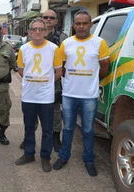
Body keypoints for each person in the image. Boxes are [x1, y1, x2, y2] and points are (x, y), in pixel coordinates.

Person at [53, 10, 110, 176]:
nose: (81, 26)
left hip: (89, 95)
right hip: (69, 94)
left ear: (90, 24)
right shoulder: (67, 43)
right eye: (78, 23)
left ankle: (89, 160)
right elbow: (61, 67)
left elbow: (104, 67)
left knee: (87, 130)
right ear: (74, 25)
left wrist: (90, 80)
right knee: (68, 128)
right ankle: (64, 156)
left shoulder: (100, 43)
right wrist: (72, 79)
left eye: (85, 23)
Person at [14, 18, 62, 172]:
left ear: (46, 32)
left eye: (41, 29)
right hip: (29, 96)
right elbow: (21, 70)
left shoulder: (54, 49)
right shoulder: (24, 49)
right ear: (29, 32)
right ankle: (29, 154)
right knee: (29, 127)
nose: (37, 31)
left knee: (47, 129)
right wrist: (33, 81)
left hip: (46, 97)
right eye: (34, 29)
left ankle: (45, 156)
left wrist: (47, 83)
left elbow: (59, 71)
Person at [19, 9, 68, 152]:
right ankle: (29, 141)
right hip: (34, 86)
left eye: (51, 18)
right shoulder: (29, 41)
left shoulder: (62, 38)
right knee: (30, 118)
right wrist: (35, 80)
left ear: (56, 21)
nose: (48, 19)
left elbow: (63, 63)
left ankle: (54, 138)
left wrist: (48, 81)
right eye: (45, 17)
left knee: (54, 114)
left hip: (54, 83)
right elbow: (24, 67)